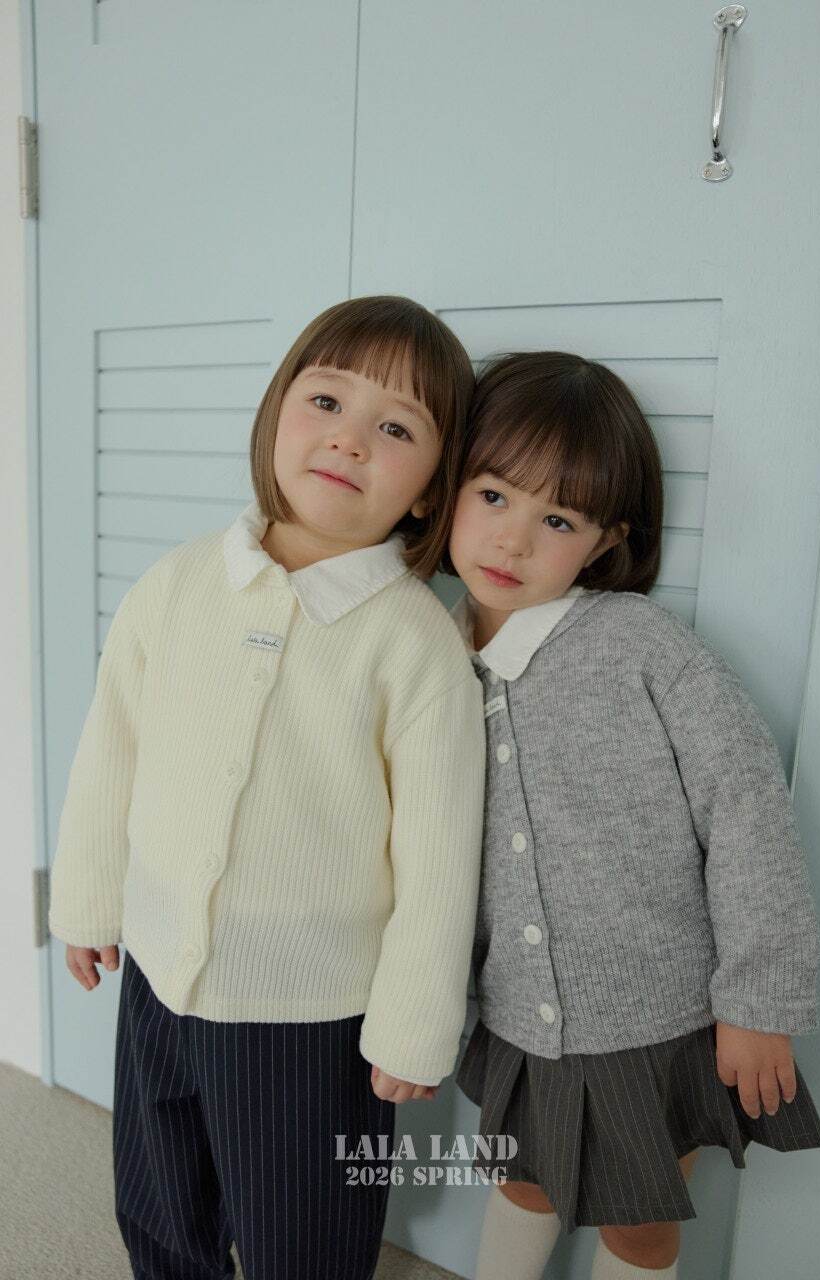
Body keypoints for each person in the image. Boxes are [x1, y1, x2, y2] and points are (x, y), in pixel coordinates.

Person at [47, 295, 487, 1280]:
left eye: (396, 428)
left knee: (307, 1235)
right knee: (159, 1204)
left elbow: (438, 855)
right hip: (158, 972)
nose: (349, 439)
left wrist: (414, 1023)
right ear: (275, 414)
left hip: (313, 1014)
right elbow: (111, 749)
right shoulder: (176, 584)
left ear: (431, 488)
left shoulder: (414, 643)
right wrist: (87, 897)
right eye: (325, 400)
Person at [443, 350, 820, 1280]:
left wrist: (756, 999)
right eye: (492, 496)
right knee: (520, 1186)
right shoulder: (427, 659)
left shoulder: (641, 647)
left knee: (639, 1227)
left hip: (653, 1024)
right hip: (514, 1019)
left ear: (603, 539)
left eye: (557, 519)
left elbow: (745, 811)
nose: (511, 541)